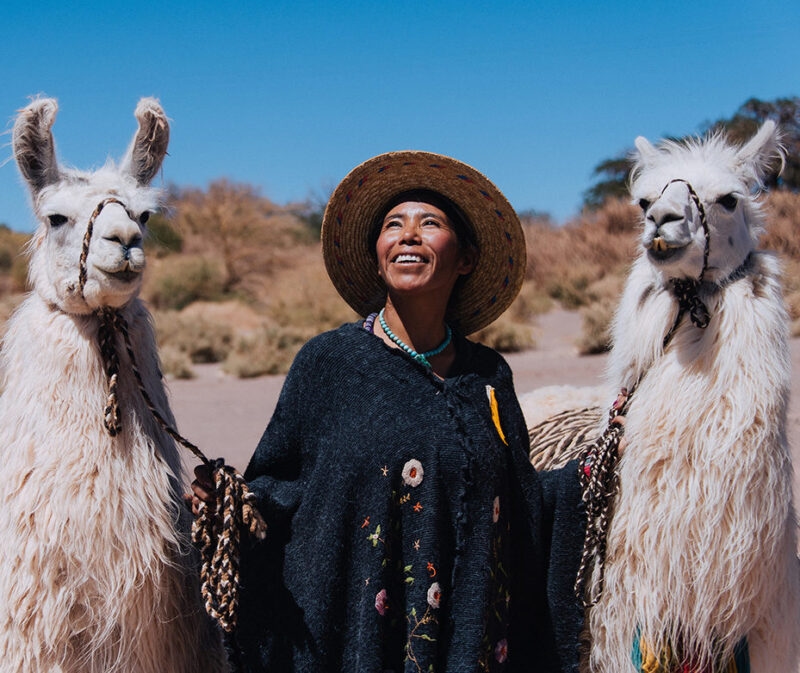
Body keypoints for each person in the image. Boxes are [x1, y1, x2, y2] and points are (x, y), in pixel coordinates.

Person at [190, 151, 585, 672]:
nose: (408, 235)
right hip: (353, 640)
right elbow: (280, 485)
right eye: (393, 225)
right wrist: (233, 504)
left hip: (463, 644)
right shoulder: (329, 363)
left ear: (464, 258)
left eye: (430, 224)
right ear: (378, 255)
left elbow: (520, 502)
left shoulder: (490, 377)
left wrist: (589, 474)